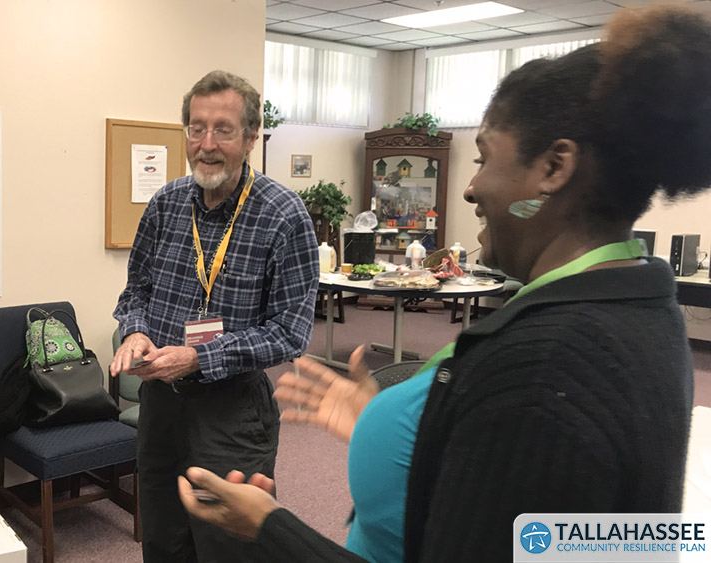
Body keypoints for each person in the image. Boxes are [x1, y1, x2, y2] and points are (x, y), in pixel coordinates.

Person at [177, 6, 711, 562]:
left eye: (484, 158)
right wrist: (410, 423)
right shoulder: (638, 299)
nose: (471, 188)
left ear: (555, 168)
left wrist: (269, 528)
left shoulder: (542, 370)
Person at [111, 70, 320, 562]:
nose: (206, 144)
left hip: (231, 412)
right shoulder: (164, 204)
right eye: (195, 127)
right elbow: (135, 290)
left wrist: (200, 358)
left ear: (250, 138)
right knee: (162, 542)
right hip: (161, 403)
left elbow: (291, 332)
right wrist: (136, 331)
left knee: (227, 548)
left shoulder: (284, 216)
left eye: (223, 129)